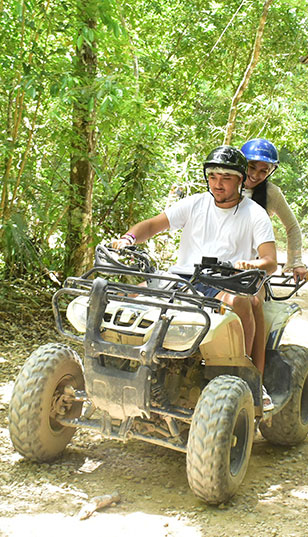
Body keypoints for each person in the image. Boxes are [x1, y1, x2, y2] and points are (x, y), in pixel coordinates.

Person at [110, 146, 278, 387]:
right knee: (125, 294)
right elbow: (152, 225)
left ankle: (243, 375)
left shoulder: (255, 214)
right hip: (183, 278)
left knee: (241, 302)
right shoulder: (195, 204)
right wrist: (128, 239)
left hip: (225, 283)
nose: (217, 184)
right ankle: (117, 360)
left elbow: (269, 261)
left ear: (241, 180)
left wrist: (249, 265)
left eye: (226, 178)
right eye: (212, 177)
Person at [240, 138, 308, 283]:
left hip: (256, 265)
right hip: (222, 259)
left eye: (263, 171)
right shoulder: (226, 185)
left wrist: (296, 262)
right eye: (251, 167)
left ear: (270, 172)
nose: (255, 175)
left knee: (254, 301)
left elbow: (292, 227)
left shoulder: (272, 193)